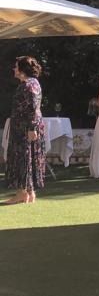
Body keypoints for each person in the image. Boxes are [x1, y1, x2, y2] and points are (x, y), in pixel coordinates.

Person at [4, 56, 45, 204]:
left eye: (16, 67)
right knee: (27, 158)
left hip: (25, 127)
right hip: (25, 126)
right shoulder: (32, 84)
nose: (14, 69)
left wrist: (32, 127)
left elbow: (33, 107)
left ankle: (22, 193)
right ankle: (29, 192)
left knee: (22, 157)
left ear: (22, 70)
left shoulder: (28, 85)